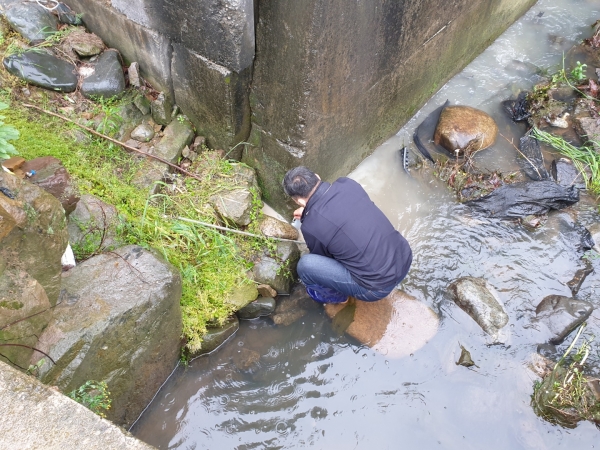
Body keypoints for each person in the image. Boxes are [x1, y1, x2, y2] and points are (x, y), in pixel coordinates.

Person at [282, 166, 412, 304]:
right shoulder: (347, 184)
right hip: (404, 257)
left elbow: (324, 259)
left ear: (300, 202)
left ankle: (337, 298)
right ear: (317, 176)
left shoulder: (310, 226)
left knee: (306, 266)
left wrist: (308, 218)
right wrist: (311, 213)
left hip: (377, 288)